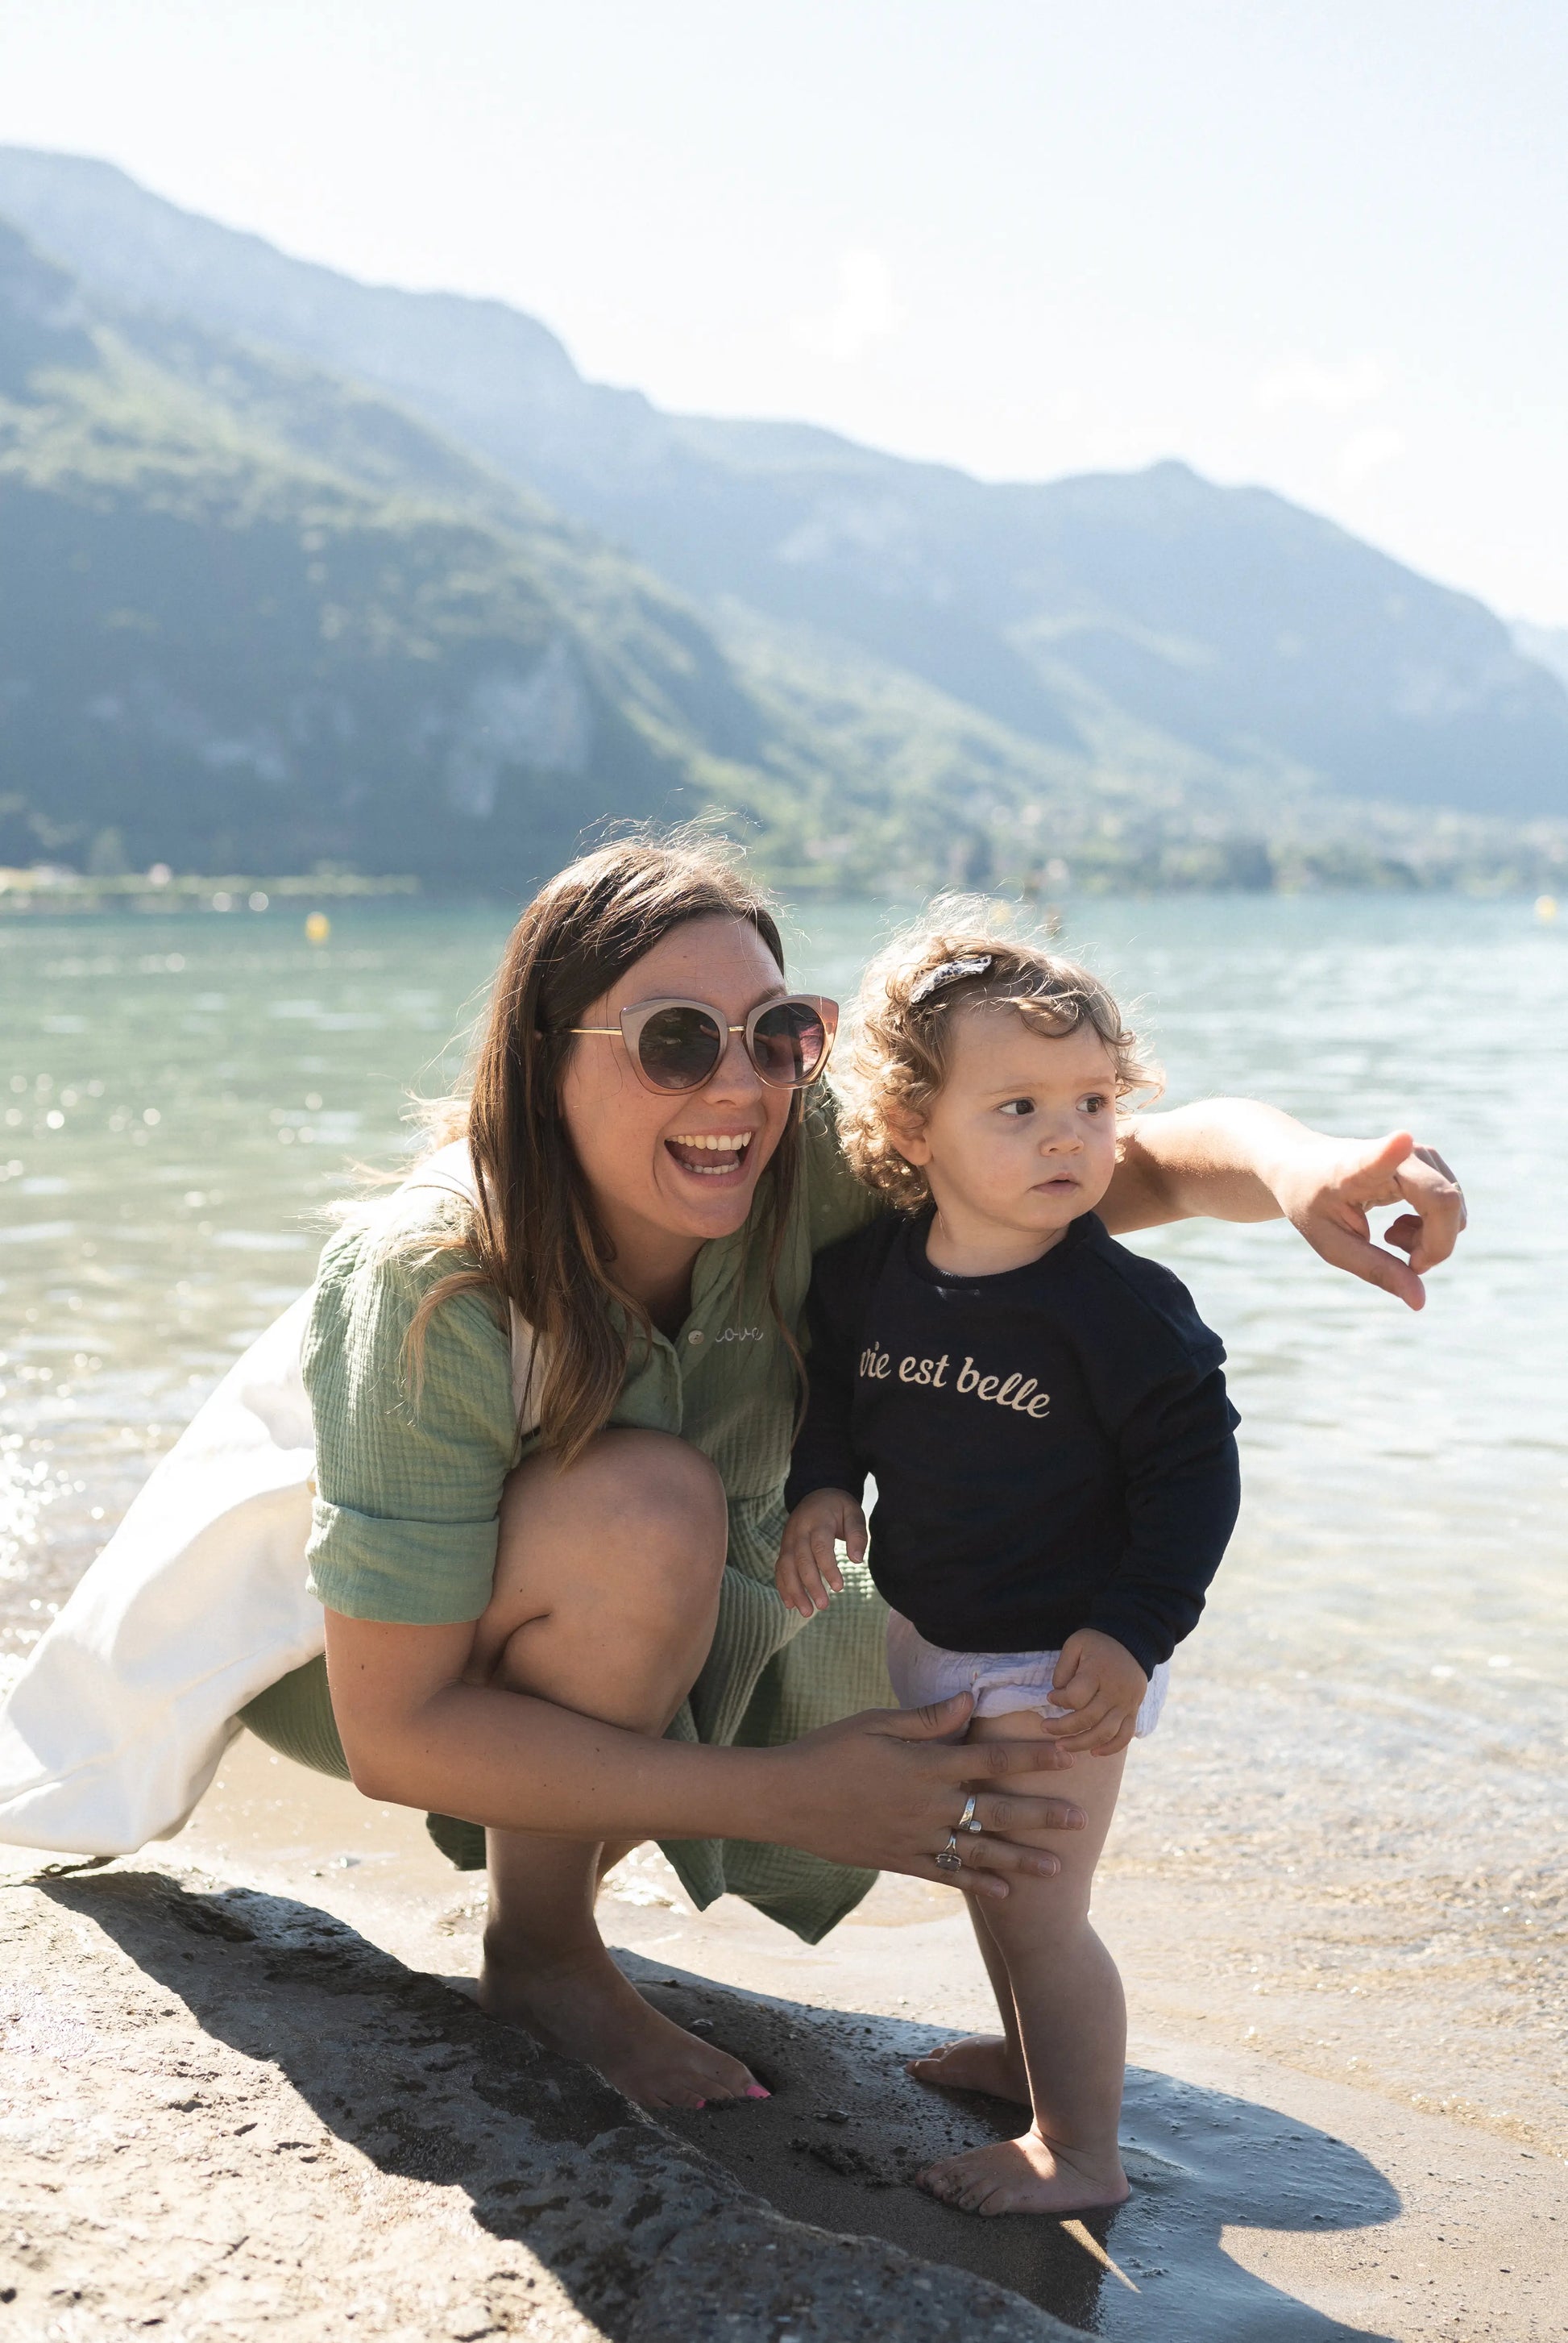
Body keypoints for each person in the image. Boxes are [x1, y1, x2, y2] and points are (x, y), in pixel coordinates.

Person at [237, 834, 1465, 2119]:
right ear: (546, 1059)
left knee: (975, 1667)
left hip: (703, 1596)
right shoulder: (433, 1278)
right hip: (385, 1667)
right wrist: (788, 1798)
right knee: (647, 1507)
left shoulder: (794, 1155)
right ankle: (539, 1951)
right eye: (673, 1041)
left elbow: (1120, 1158)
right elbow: (397, 1732)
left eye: (777, 1032)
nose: (737, 1089)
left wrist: (1300, 1167)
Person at [778, 925, 1240, 2216]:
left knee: (1038, 1899)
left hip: (1068, 1654)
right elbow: (831, 1398)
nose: (1067, 1139)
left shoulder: (1116, 1308)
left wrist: (1136, 1628)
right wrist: (822, 1484)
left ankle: (1080, 2156)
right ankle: (1033, 2064)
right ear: (913, 1128)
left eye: (1093, 1104)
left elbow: (1194, 1474)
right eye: (1020, 1108)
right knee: (988, 1874)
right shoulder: (866, 1278)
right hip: (934, 1626)